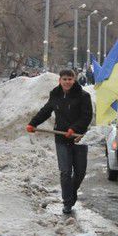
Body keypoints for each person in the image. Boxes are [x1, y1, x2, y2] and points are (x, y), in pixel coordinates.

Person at [26, 69, 93, 214]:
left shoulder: (83, 96)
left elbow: (86, 116)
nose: (67, 81)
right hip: (61, 138)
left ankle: (71, 194)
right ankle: (67, 202)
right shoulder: (55, 94)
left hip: (78, 137)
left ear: (74, 80)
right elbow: (46, 110)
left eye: (70, 79)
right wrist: (33, 123)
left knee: (80, 172)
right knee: (65, 171)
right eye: (65, 79)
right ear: (60, 80)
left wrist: (74, 129)